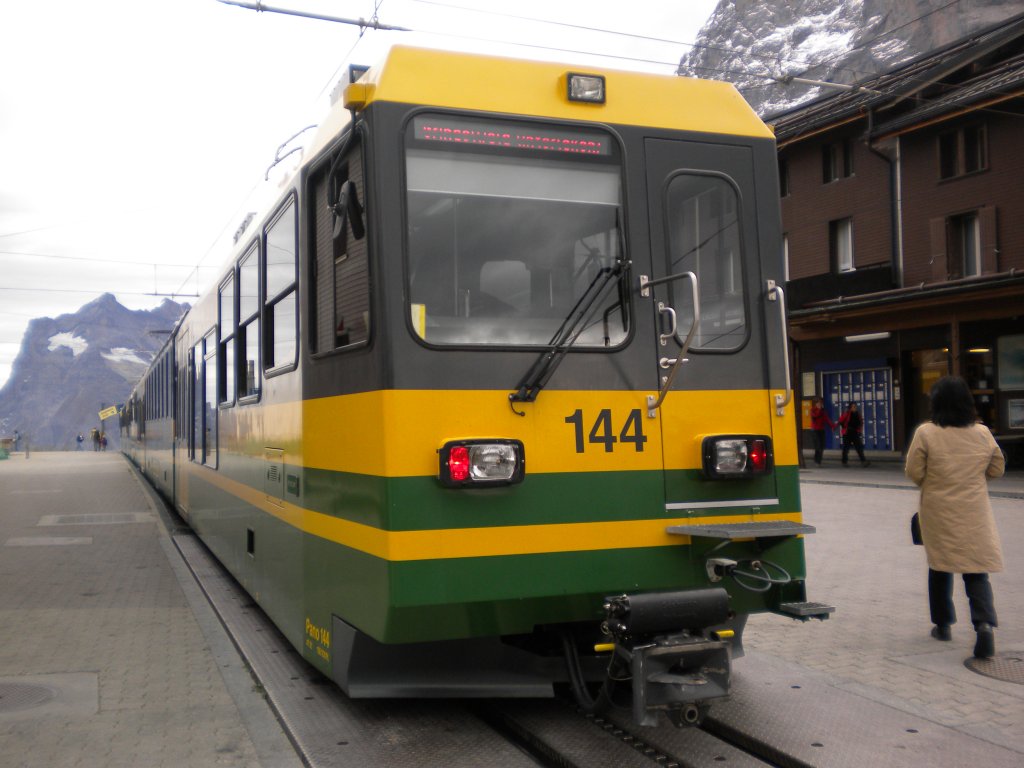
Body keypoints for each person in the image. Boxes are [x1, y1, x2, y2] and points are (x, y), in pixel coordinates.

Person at [905, 375, 1005, 659]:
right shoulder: (982, 433)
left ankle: (943, 624)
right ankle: (984, 624)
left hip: (938, 511)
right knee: (976, 571)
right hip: (974, 512)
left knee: (939, 566)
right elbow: (996, 469)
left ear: (936, 403)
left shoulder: (926, 433)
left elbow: (914, 473)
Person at [838, 402, 870, 466]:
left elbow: (860, 423)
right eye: (853, 406)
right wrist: (844, 427)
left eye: (855, 406)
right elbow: (840, 421)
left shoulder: (858, 414)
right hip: (847, 433)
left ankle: (863, 461)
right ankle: (844, 462)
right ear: (850, 407)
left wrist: (860, 431)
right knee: (846, 448)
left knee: (859, 447)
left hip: (855, 432)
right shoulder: (847, 413)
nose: (854, 408)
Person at [809, 397, 836, 466]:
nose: (820, 404)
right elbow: (815, 416)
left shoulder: (823, 411)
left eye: (821, 403)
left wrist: (832, 426)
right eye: (818, 403)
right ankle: (817, 461)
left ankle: (818, 460)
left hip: (821, 430)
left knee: (822, 446)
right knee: (818, 446)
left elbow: (826, 419)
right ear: (815, 404)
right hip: (814, 430)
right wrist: (819, 409)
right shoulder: (813, 410)